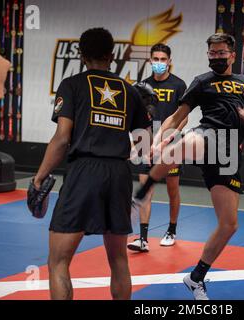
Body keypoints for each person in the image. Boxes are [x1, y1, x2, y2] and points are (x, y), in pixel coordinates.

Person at [131, 33, 244, 300]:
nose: (217, 58)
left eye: (222, 53)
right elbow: (177, 117)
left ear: (233, 55)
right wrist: (157, 140)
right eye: (212, 53)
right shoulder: (202, 82)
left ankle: (196, 277)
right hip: (209, 134)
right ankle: (145, 188)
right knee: (194, 140)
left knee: (229, 224)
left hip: (229, 152)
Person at [32, 28, 151, 300]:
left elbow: (62, 139)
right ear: (112, 56)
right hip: (119, 173)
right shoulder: (130, 91)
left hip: (84, 171)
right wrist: (146, 116)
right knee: (119, 258)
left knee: (58, 261)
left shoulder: (72, 85)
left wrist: (40, 176)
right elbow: (145, 146)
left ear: (82, 56)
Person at [128, 43, 187, 252]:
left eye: (163, 59)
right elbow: (136, 117)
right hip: (147, 143)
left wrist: (167, 139)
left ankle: (171, 230)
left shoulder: (179, 85)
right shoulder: (143, 86)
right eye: (156, 59)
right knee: (146, 190)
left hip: (171, 144)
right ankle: (143, 239)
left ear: (169, 61)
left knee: (172, 190)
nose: (159, 63)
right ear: (150, 61)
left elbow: (183, 119)